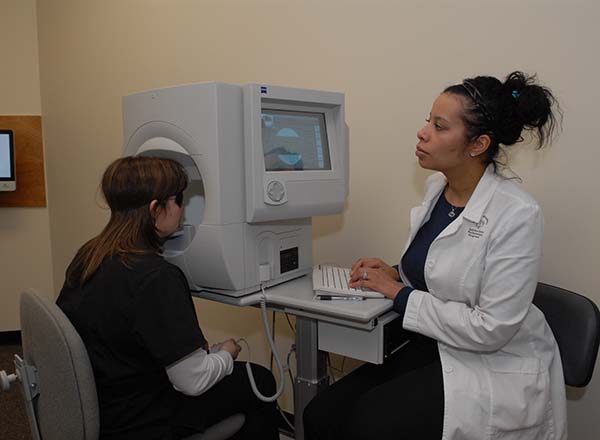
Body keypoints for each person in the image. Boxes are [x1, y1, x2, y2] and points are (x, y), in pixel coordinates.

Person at [303, 71, 567, 440]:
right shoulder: (436, 188)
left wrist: (399, 294)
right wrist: (396, 274)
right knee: (322, 414)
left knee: (370, 422)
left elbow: (490, 328)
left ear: (478, 145)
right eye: (428, 120)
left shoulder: (517, 214)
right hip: (437, 344)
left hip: (493, 362)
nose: (423, 132)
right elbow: (440, 270)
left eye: (440, 126)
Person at [57, 156, 280, 440]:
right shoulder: (156, 277)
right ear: (155, 209)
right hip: (142, 419)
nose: (182, 209)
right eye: (178, 200)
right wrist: (226, 353)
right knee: (259, 380)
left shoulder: (89, 255)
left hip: (103, 406)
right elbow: (193, 381)